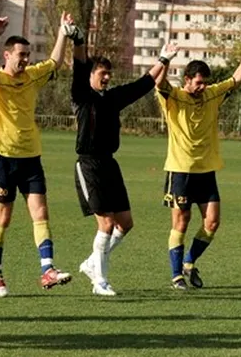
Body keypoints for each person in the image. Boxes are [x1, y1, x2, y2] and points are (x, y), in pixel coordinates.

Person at [67, 15, 175, 296]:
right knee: (105, 224)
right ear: (91, 76)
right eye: (101, 72)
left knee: (125, 223)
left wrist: (163, 59)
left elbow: (143, 84)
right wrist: (78, 39)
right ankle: (99, 281)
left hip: (109, 164)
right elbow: (79, 63)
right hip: (89, 164)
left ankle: (93, 263)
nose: (106, 77)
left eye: (108, 73)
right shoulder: (81, 95)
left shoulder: (112, 98)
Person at [0, 14, 71, 297]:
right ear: (7, 54)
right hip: (2, 157)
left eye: (27, 55)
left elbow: (55, 62)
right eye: (20, 55)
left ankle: (47, 270)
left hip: (31, 158)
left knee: (41, 214)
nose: (25, 59)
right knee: (3, 218)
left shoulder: (32, 76)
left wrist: (62, 32)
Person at [156, 47, 241, 290]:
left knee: (212, 222)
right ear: (187, 80)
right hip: (180, 170)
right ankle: (176, 275)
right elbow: (159, 81)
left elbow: (236, 80)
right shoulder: (174, 96)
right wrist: (165, 59)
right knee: (182, 221)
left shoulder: (211, 94)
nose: (202, 87)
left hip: (206, 170)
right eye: (198, 82)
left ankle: (189, 262)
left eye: (205, 83)